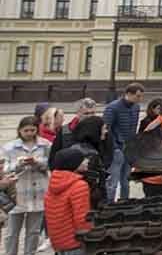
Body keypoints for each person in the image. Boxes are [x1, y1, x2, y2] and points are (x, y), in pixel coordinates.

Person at [3, 116, 50, 255]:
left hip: (38, 193)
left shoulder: (45, 145)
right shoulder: (9, 147)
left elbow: (51, 164)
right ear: (20, 130)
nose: (29, 133)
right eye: (26, 130)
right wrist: (18, 164)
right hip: (17, 194)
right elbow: (4, 169)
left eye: (32, 130)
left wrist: (38, 163)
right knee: (12, 232)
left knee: (34, 231)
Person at [43, 148, 93, 255]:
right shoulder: (79, 186)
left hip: (59, 243)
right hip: (76, 243)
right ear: (73, 164)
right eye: (83, 159)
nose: (87, 161)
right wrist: (89, 239)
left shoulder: (53, 184)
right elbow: (82, 218)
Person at [103, 82, 144, 202]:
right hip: (117, 149)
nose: (140, 99)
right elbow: (106, 129)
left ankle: (124, 203)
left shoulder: (136, 107)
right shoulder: (113, 108)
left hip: (129, 148)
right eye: (137, 96)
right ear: (128, 94)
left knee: (126, 181)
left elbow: (134, 128)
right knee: (112, 182)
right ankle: (109, 205)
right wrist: (115, 147)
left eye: (141, 96)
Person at [69, 116, 112, 208]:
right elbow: (93, 187)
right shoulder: (90, 154)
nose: (106, 131)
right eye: (104, 129)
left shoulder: (75, 148)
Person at [48, 99, 98, 169]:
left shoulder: (101, 130)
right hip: (69, 175)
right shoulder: (64, 131)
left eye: (93, 113)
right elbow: (54, 157)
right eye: (86, 113)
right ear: (77, 113)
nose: (90, 116)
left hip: (94, 174)